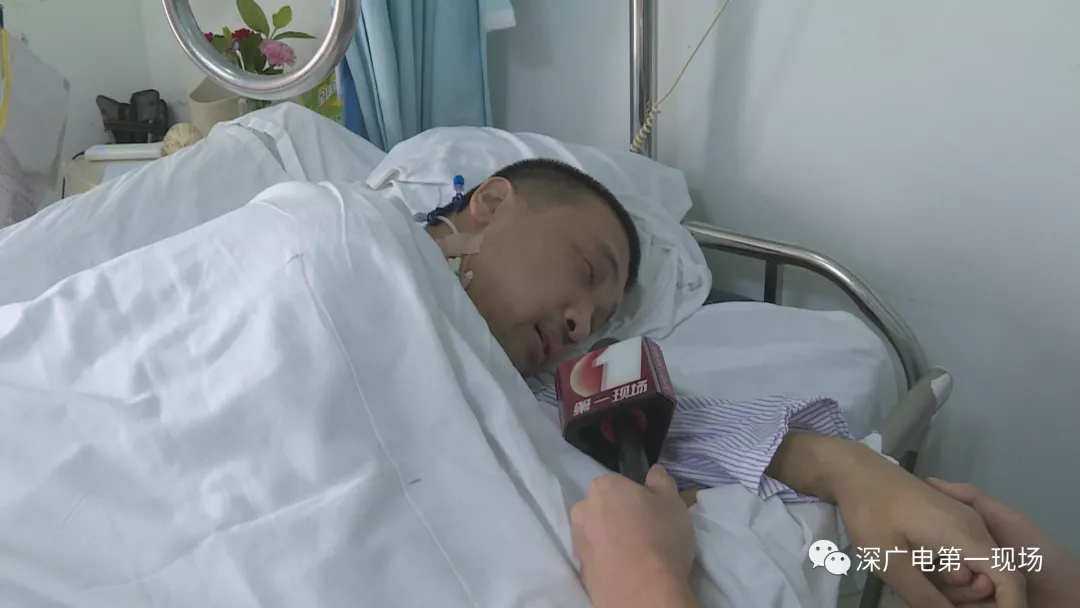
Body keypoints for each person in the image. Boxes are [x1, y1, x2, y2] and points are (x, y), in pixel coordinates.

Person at [419, 158, 1028, 607]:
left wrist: (851, 469)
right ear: (491, 202)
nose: (579, 324)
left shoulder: (530, 386)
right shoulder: (363, 241)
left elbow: (678, 429)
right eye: (585, 269)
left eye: (598, 322)